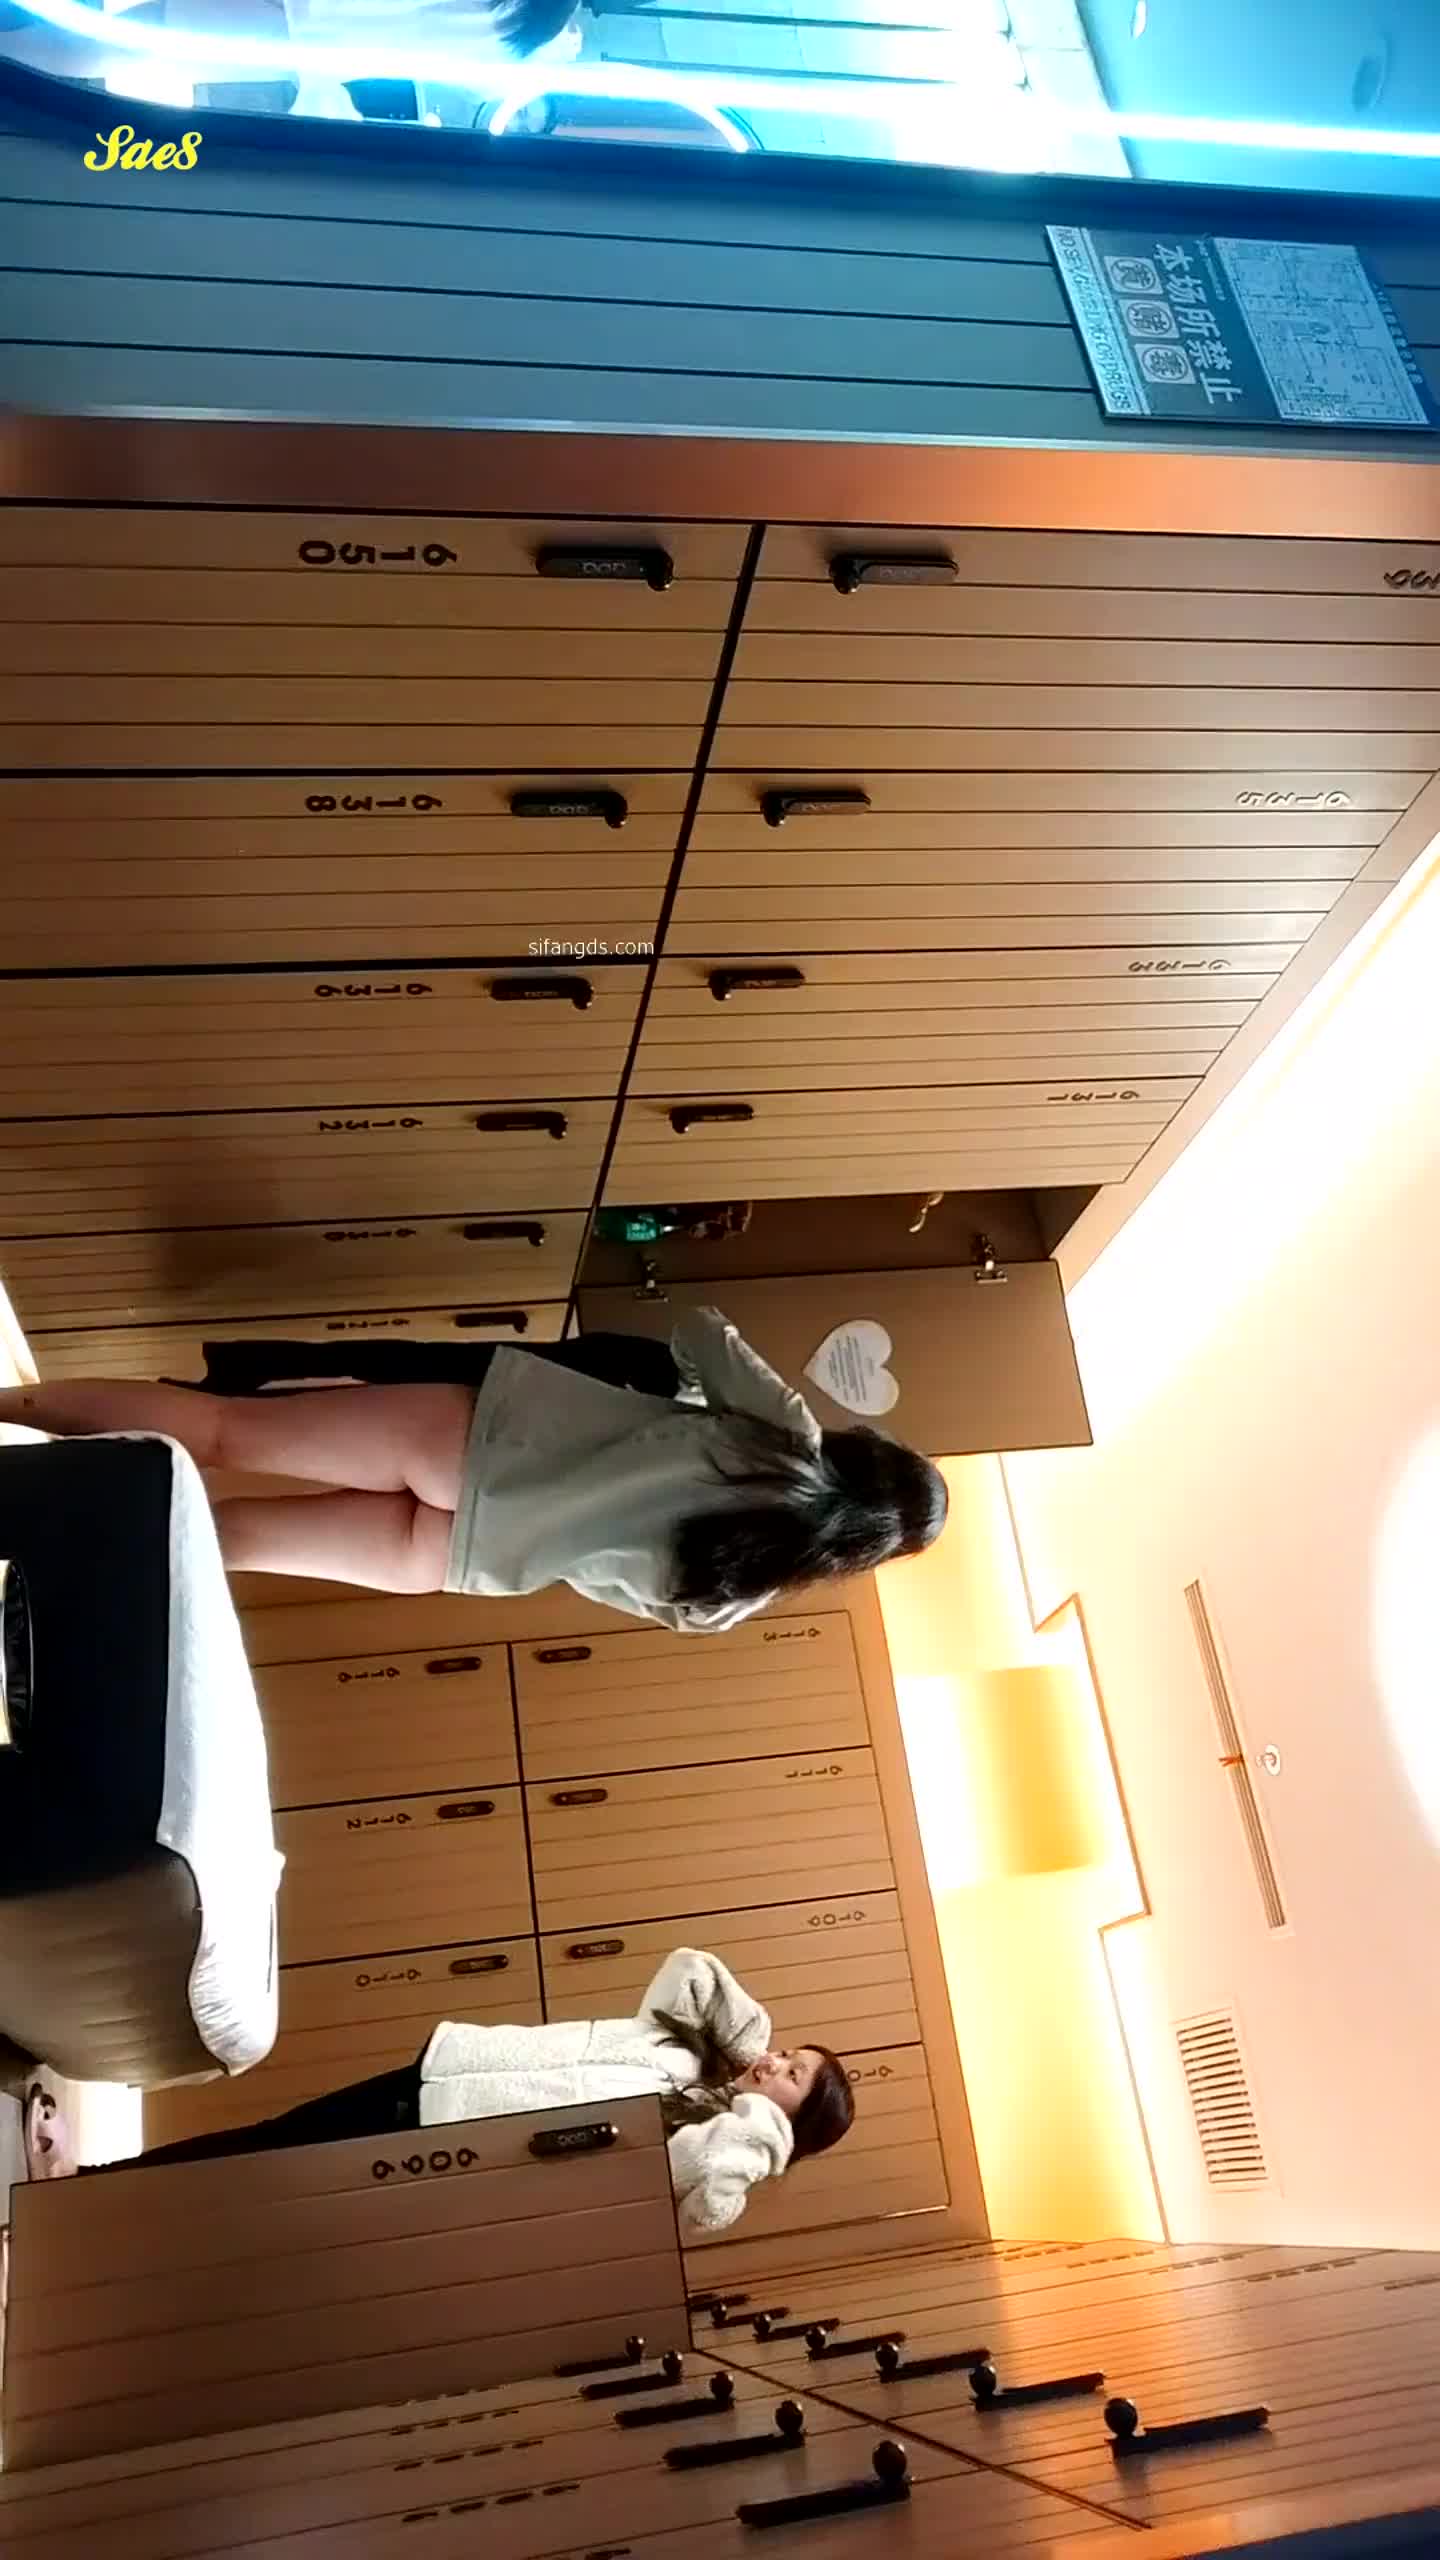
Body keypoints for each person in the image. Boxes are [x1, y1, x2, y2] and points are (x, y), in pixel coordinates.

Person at [0, 1308, 948, 1631]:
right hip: (468, 1560)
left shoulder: (786, 1439)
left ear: (872, 1458)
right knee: (222, 1538)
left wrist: (696, 1406)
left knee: (224, 1431)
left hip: (481, 1445)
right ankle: (26, 1532)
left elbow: (699, 1328)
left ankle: (8, 1407)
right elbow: (612, 1583)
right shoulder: (742, 1594)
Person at [22, 1949, 854, 2237]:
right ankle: (85, 2188)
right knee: (265, 2140)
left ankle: (75, 2208)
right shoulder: (683, 2055)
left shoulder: (721, 2157)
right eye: (788, 2054)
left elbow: (706, 2197)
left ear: (794, 2125)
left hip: (446, 2148)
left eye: (794, 2076)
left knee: (259, 2184)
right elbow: (691, 1967)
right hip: (435, 2078)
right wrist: (749, 2046)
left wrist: (761, 2129)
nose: (776, 2063)